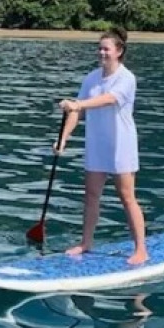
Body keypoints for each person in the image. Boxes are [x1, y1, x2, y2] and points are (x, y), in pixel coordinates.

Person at [54, 28, 147, 264]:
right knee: (91, 195)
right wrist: (64, 138)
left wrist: (78, 104)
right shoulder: (91, 78)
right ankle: (86, 243)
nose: (101, 52)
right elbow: (78, 110)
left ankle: (141, 250)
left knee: (127, 197)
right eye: (100, 48)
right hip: (97, 145)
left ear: (119, 51)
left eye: (106, 48)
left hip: (121, 146)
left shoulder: (126, 78)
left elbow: (108, 100)